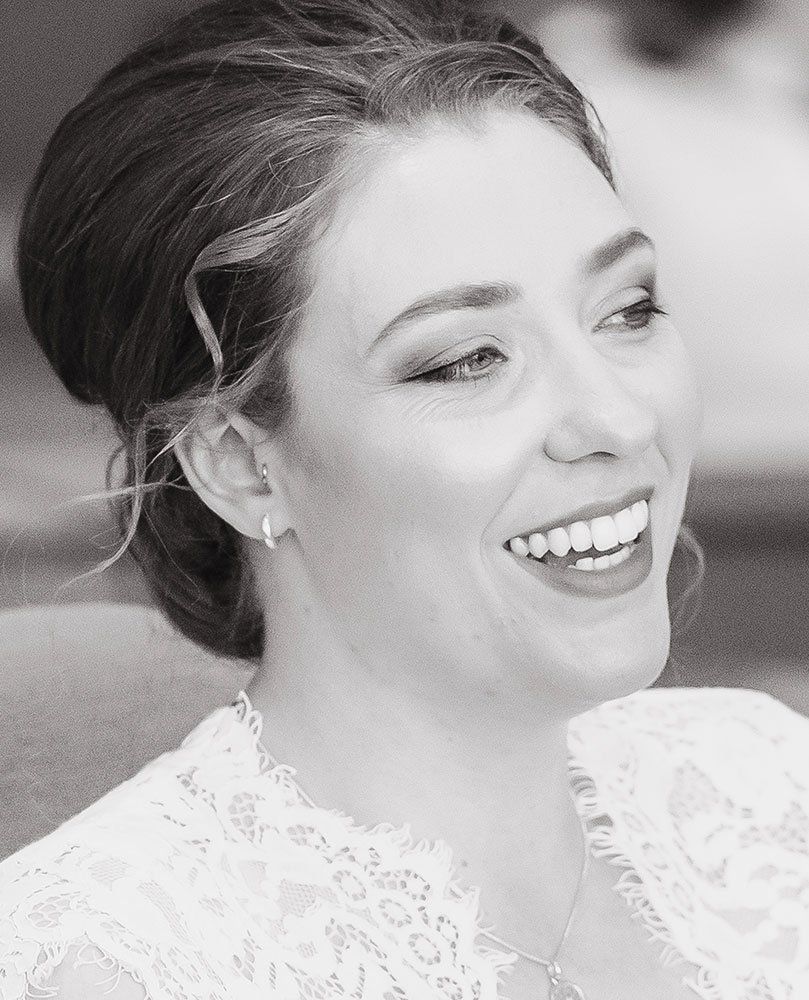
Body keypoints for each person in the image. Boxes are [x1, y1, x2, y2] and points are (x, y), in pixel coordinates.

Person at [2, 1, 808, 998]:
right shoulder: (111, 966)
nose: (616, 416)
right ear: (240, 463)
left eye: (627, 309)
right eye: (467, 360)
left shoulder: (761, 788)